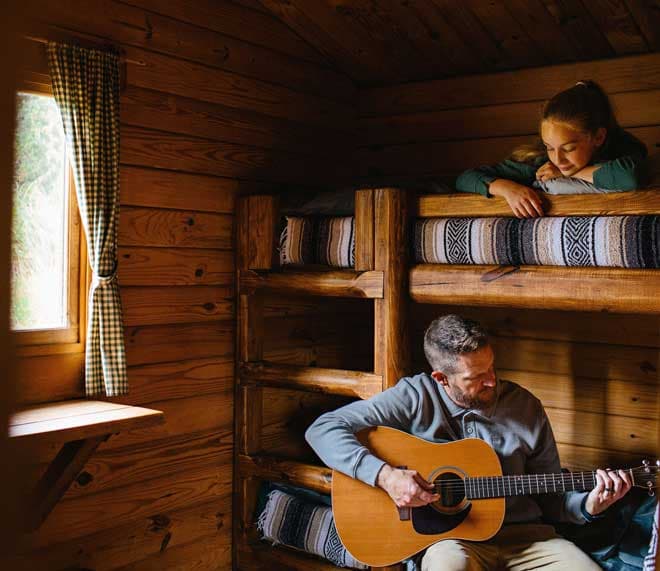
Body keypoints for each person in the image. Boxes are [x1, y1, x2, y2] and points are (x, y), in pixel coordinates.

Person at [305, 314, 632, 570]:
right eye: (476, 377)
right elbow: (322, 429)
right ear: (441, 378)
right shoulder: (415, 396)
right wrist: (386, 476)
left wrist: (589, 507)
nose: (492, 380)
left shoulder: (526, 407)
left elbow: (553, 500)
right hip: (453, 542)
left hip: (528, 538)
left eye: (492, 367)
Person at [455, 81, 648, 218]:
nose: (558, 159)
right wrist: (508, 188)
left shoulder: (622, 147)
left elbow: (630, 177)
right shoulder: (540, 162)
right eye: (550, 147)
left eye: (569, 148)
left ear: (598, 137)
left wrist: (573, 174)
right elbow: (465, 178)